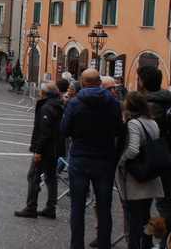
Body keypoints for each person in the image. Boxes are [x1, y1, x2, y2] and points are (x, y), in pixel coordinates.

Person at [62, 68, 124, 249]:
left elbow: (64, 130)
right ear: (99, 82)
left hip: (80, 157)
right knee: (104, 206)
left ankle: (76, 245)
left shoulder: (74, 103)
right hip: (104, 158)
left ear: (82, 82)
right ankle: (104, 243)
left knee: (77, 206)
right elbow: (120, 130)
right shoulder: (112, 102)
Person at [116, 91, 164, 249]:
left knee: (134, 218)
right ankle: (147, 244)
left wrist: (121, 162)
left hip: (136, 178)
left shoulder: (133, 124)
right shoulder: (153, 122)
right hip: (151, 174)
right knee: (145, 215)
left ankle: (135, 245)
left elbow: (133, 149)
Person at [15, 81, 64, 219]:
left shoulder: (47, 107)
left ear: (44, 93)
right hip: (55, 148)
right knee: (51, 177)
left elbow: (44, 132)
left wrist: (38, 151)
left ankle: (31, 207)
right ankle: (50, 208)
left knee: (33, 176)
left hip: (46, 149)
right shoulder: (58, 104)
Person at [137, 65, 171, 247]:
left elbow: (148, 137)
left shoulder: (148, 105)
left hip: (154, 161)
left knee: (151, 205)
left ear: (143, 82)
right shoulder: (167, 100)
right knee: (166, 203)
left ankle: (158, 242)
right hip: (166, 158)